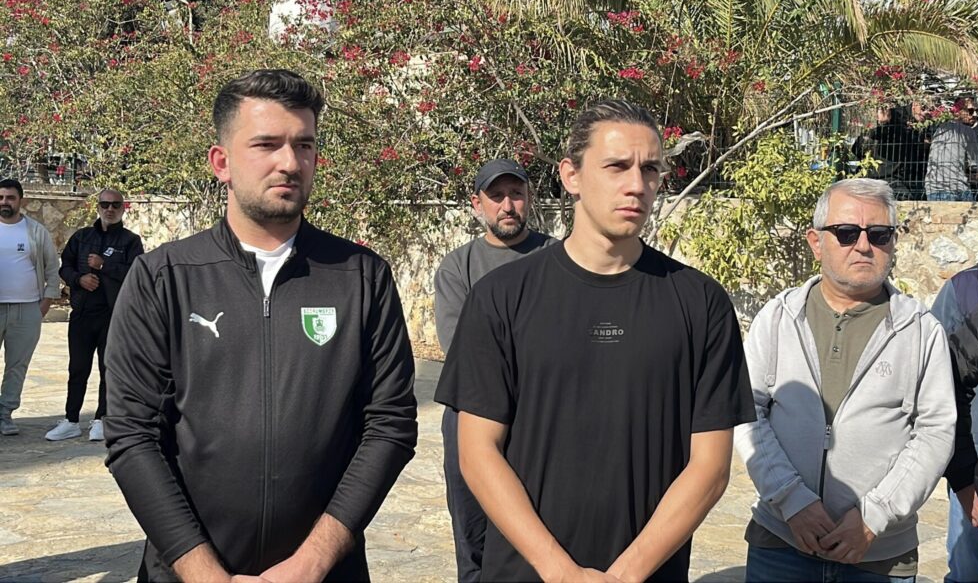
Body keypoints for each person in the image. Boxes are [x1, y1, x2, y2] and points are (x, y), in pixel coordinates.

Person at [103, 69, 418, 581]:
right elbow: (132, 434)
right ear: (221, 162)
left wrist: (313, 562)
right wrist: (202, 571)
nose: (289, 162)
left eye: (304, 145)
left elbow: (390, 426)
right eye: (266, 144)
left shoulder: (362, 278)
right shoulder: (164, 277)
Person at [434, 99, 756, 581]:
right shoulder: (500, 297)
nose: (636, 184)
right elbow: (477, 453)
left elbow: (710, 468)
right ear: (572, 175)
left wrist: (627, 574)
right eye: (616, 166)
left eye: (650, 169)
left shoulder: (701, 303)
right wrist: (559, 570)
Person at [735, 178, 956, 582]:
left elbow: (936, 432)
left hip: (879, 557)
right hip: (781, 544)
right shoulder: (778, 318)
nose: (864, 245)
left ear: (893, 242)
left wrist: (874, 517)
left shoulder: (921, 331)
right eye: (846, 232)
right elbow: (748, 412)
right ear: (816, 242)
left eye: (879, 234)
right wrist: (792, 500)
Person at [434, 158, 554, 582]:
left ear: (529, 199)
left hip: (543, 415)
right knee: (474, 537)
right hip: (473, 413)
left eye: (516, 194)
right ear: (477, 203)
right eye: (496, 196)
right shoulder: (458, 267)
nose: (507, 205)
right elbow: (462, 352)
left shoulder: (557, 257)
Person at [932, 203, 978, 583]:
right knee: (967, 569)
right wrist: (961, 475)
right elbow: (938, 379)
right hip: (976, 461)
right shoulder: (963, 289)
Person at [45, 189, 144, 442]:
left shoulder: (130, 241)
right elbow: (65, 267)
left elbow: (137, 273)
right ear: (97, 207)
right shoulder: (81, 237)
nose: (110, 209)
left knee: (108, 368)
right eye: (105, 204)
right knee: (78, 368)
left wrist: (104, 265)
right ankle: (71, 420)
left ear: (123, 208)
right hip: (82, 314)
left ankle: (101, 419)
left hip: (113, 316)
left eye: (115, 205)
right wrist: (79, 279)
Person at [0, 178, 60, 436]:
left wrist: (45, 304)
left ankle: (5, 415)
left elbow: (52, 268)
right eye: (1, 197)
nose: (4, 202)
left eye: (10, 198)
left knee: (17, 366)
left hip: (27, 310)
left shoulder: (35, 231)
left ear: (20, 201)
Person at [925, 99, 978, 201]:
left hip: (932, 187)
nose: (975, 115)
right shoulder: (966, 131)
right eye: (970, 111)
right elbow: (976, 163)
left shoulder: (939, 129)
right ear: (959, 111)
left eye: (977, 111)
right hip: (957, 187)